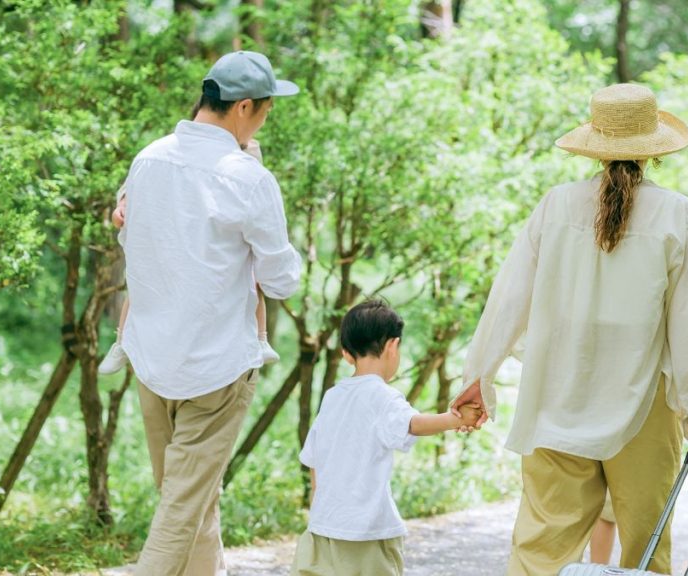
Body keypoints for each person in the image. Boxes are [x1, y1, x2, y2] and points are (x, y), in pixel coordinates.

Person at [452, 83, 688, 575]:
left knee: (540, 552)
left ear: (594, 145)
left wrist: (479, 376)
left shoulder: (555, 205)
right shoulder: (678, 213)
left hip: (555, 397)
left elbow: (509, 297)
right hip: (641, 407)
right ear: (653, 150)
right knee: (645, 553)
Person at [121, 51, 302, 576]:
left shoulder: (148, 159)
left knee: (192, 499)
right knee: (181, 510)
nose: (265, 119)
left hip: (152, 361)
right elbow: (282, 281)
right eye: (266, 109)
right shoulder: (247, 178)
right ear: (244, 107)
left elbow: (132, 241)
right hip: (215, 371)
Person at [291, 299, 484, 576]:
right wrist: (456, 419)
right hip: (368, 531)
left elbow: (313, 460)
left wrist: (317, 510)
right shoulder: (383, 396)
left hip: (324, 529)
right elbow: (413, 424)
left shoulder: (332, 397)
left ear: (346, 354)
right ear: (393, 346)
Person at [99, 138, 278, 376]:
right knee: (141, 283)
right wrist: (122, 204)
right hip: (178, 232)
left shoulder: (249, 153)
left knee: (252, 282)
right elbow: (133, 186)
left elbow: (255, 195)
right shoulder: (172, 151)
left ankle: (261, 339)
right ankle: (122, 342)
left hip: (225, 238)